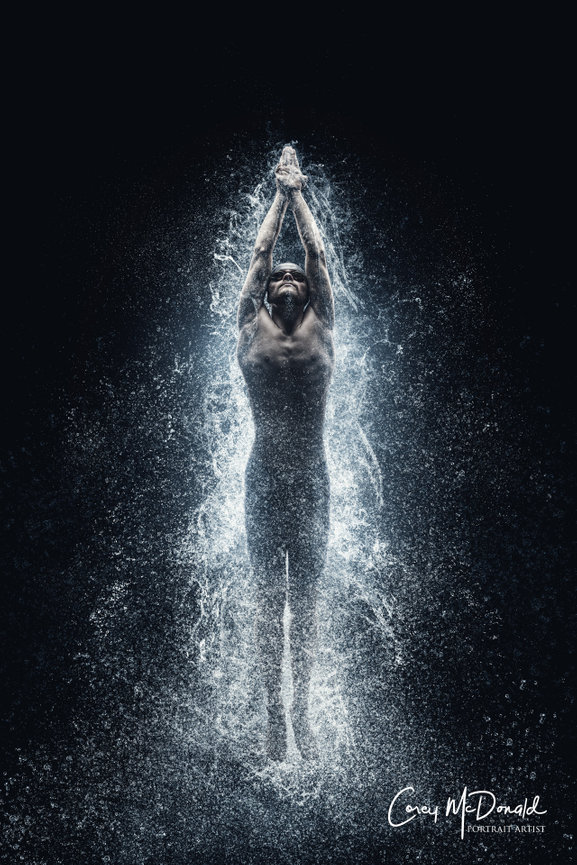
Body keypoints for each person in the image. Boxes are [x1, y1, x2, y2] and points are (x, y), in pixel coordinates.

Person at [236, 145, 335, 760]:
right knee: (270, 605)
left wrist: (298, 192)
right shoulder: (251, 328)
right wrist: (277, 194)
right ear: (269, 293)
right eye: (281, 276)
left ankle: (303, 713)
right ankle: (274, 717)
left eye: (297, 275)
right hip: (264, 482)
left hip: (313, 483)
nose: (290, 275)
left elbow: (318, 254)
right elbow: (257, 255)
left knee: (309, 605)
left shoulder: (324, 327)